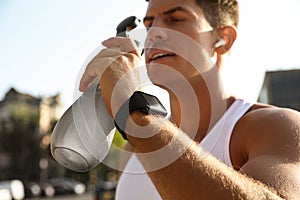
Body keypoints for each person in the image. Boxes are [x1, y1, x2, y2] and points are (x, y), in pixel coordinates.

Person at [79, 0, 300, 199]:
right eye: (149, 25)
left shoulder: (276, 126)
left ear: (223, 39)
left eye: (175, 19)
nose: (154, 33)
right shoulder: (133, 148)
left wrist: (132, 110)